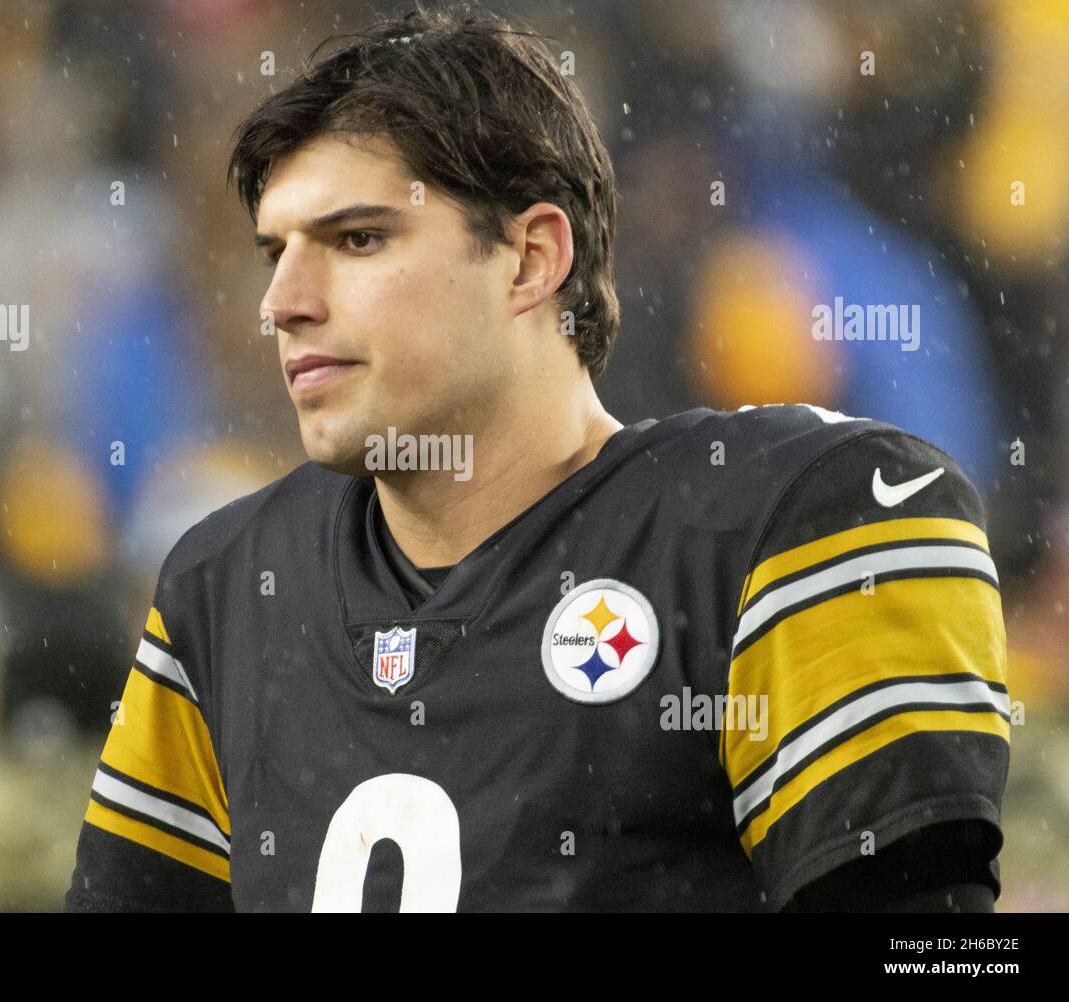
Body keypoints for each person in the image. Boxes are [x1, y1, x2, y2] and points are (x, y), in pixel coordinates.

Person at [66, 5, 1008, 912]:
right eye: (276, 250)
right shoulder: (227, 586)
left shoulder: (796, 516)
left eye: (357, 239)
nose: (283, 300)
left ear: (529, 259)